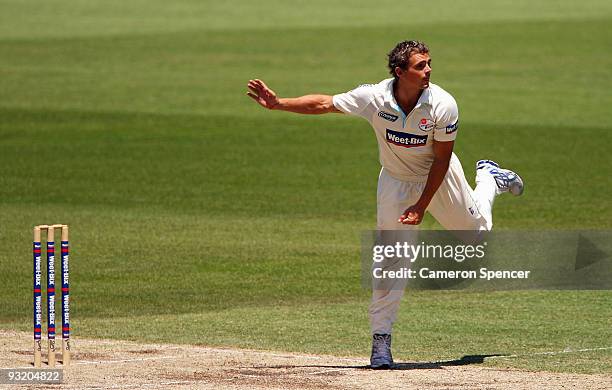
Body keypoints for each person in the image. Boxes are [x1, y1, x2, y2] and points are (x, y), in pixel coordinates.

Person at [246, 40, 523, 369]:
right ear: (399, 72)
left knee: (478, 237)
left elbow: (441, 161)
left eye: (429, 63)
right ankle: (381, 340)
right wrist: (279, 104)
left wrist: (422, 205)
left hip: (439, 176)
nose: (429, 70)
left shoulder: (443, 104)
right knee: (392, 259)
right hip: (394, 182)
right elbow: (324, 104)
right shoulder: (373, 97)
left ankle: (489, 179)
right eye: (420, 66)